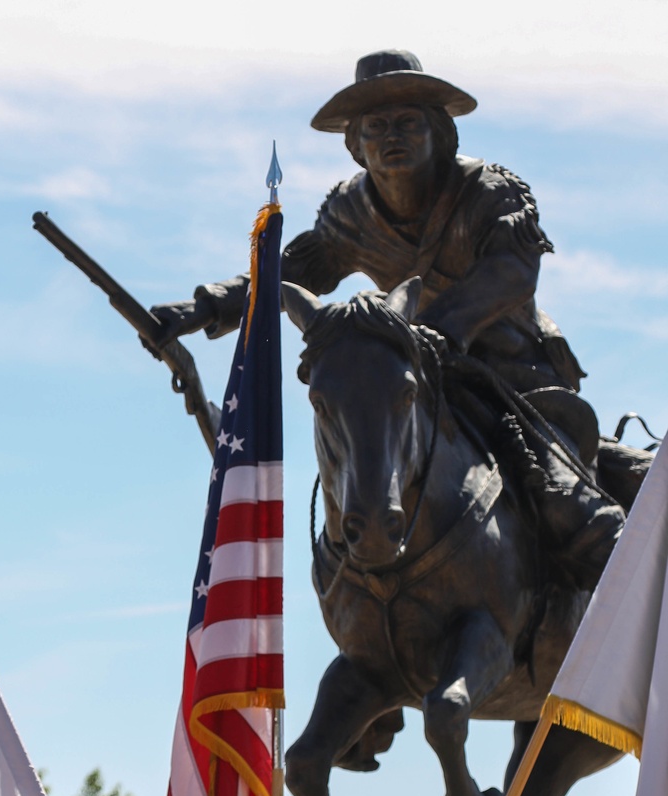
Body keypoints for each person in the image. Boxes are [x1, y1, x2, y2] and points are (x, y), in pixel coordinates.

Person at [154, 49, 625, 585]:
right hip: (416, 378)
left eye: (407, 122)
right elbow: (293, 273)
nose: (391, 136)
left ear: (439, 133)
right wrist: (206, 305)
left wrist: (432, 333)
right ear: (355, 145)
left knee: (567, 503)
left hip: (513, 377)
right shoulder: (350, 211)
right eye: (375, 127)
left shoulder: (490, 193)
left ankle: (620, 597)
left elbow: (511, 274)